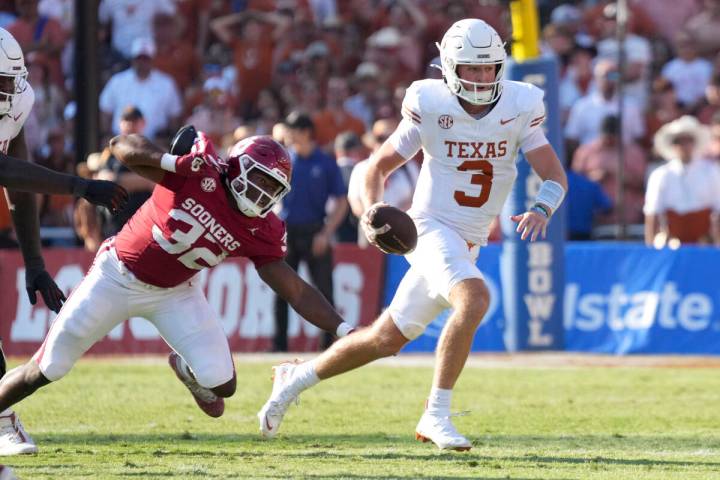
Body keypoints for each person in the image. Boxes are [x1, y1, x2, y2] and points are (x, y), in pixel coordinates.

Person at [257, 19, 568, 451]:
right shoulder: (431, 103)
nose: (481, 78)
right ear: (449, 67)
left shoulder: (520, 104)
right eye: (471, 69)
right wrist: (369, 211)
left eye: (488, 68)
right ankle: (436, 414)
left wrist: (541, 207)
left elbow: (554, 174)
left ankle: (295, 377)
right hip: (430, 228)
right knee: (474, 298)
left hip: (468, 240)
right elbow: (377, 167)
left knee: (384, 339)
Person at [0, 130, 355, 451]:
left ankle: (186, 369)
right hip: (116, 275)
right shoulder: (199, 173)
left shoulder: (261, 227)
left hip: (174, 292)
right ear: (237, 167)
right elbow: (120, 146)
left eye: (273, 187)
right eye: (260, 178)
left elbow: (295, 290)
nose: (263, 191)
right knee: (45, 370)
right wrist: (172, 162)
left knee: (223, 386)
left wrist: (344, 330)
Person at [0, 26, 127, 456]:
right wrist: (80, 186)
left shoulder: (17, 102)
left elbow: (18, 186)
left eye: (9, 80)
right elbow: (4, 171)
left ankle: (0, 420)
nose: (8, 90)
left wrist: (34, 262)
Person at [273, 112, 348, 352]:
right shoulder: (286, 160)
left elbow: (341, 200)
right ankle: (279, 345)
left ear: (305, 132)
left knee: (324, 291)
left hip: (315, 230)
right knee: (281, 290)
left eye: (292, 131)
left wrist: (326, 233)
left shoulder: (325, 162)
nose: (288, 136)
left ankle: (328, 346)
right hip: (287, 231)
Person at [644, 115, 720, 246]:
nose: (684, 146)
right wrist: (650, 250)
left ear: (694, 143)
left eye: (688, 141)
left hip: (704, 242)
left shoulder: (711, 172)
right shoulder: (661, 175)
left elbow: (718, 209)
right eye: (679, 142)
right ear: (673, 145)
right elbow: (652, 213)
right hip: (671, 243)